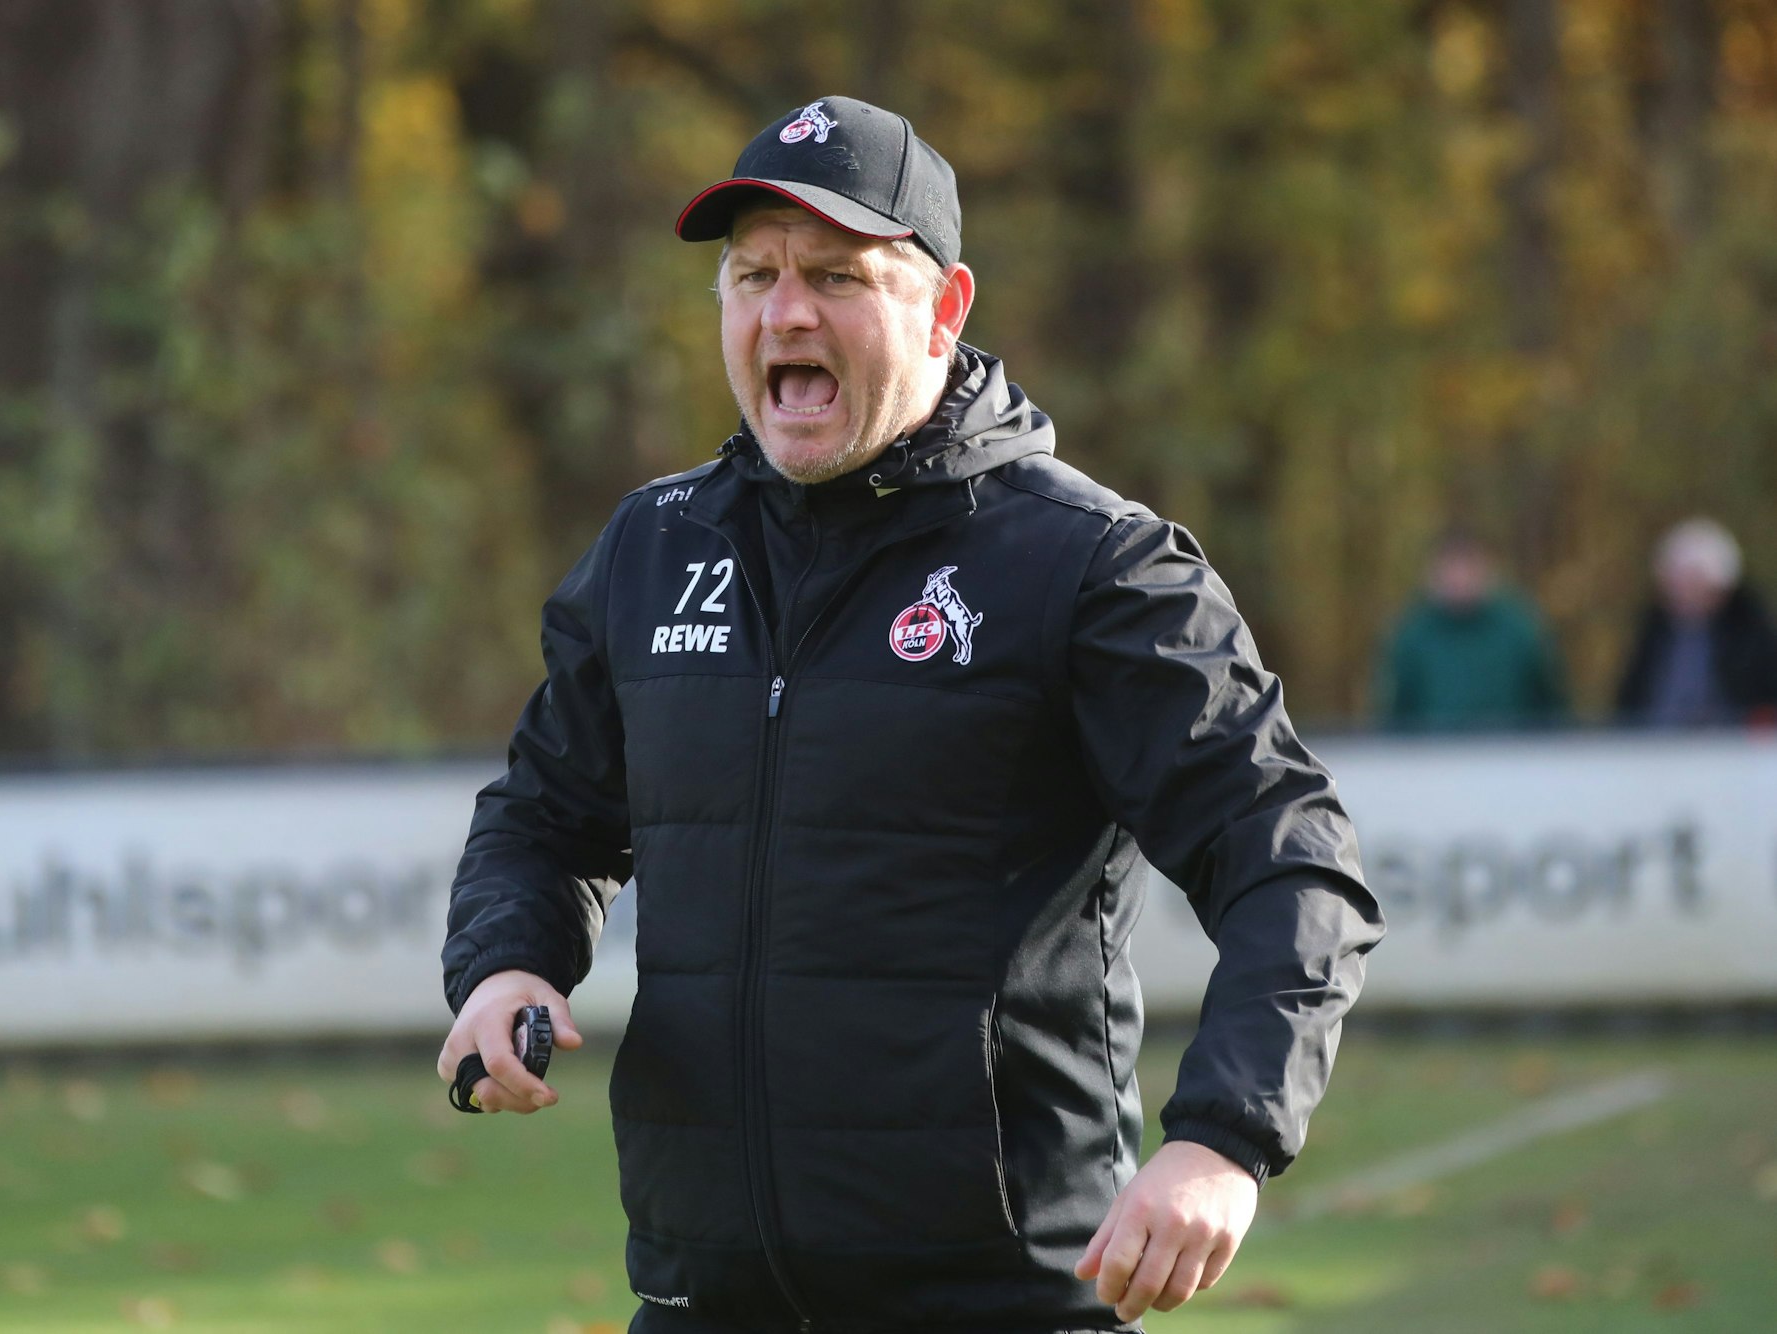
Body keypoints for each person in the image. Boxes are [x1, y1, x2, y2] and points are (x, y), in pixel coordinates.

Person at [439, 95, 1383, 1334]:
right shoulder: (653, 546)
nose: (785, 310)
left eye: (837, 275)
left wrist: (1222, 1138)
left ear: (944, 309)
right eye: (753, 274)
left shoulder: (1094, 567)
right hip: (703, 1296)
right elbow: (548, 817)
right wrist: (506, 957)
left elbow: (1292, 862)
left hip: (997, 1303)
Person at [1373, 530, 1567, 732]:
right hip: (1433, 756)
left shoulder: (1520, 629)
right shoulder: (1411, 634)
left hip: (1511, 754)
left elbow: (1550, 703)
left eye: (1467, 567)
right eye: (1452, 568)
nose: (1460, 578)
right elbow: (1394, 712)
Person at [1616, 518, 1777, 727]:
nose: (1682, 591)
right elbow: (1628, 704)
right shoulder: (1654, 633)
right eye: (1675, 580)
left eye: (1692, 580)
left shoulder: (1751, 636)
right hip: (1656, 750)